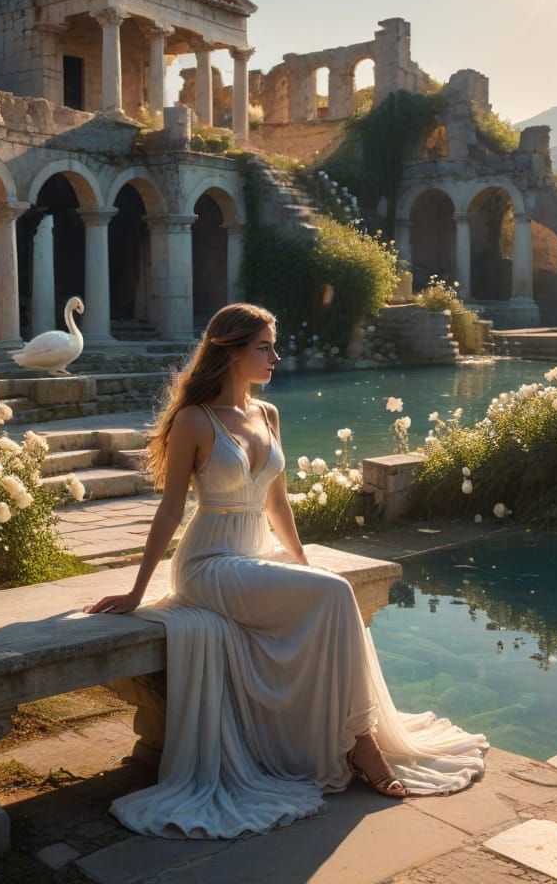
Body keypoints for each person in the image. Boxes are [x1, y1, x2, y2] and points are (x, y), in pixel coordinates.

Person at [85, 303, 486, 838]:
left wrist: (300, 565)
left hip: (257, 554)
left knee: (331, 593)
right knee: (336, 597)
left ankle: (338, 736)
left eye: (274, 345)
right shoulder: (193, 420)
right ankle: (361, 745)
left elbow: (279, 504)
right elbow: (171, 510)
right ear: (230, 351)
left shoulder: (268, 414)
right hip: (211, 564)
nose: (276, 356)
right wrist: (137, 590)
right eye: (264, 347)